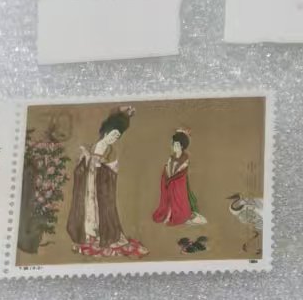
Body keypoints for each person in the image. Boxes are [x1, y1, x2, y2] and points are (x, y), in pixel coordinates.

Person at [65, 107, 146, 259]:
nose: (114, 139)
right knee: (88, 207)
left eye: (117, 137)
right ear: (107, 131)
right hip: (89, 184)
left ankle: (104, 236)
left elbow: (111, 171)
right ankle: (90, 235)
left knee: (100, 209)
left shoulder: (111, 151)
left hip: (101, 188)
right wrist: (85, 157)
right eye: (113, 134)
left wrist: (99, 164)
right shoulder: (94, 146)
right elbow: (84, 165)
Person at [152, 129, 207, 230]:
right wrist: (166, 177)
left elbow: (181, 174)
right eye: (174, 144)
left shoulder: (185, 159)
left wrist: (171, 180)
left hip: (178, 186)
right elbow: (167, 170)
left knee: (176, 193)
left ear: (182, 146)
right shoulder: (171, 158)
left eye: (177, 144)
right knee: (167, 195)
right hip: (169, 183)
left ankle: (178, 214)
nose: (175, 146)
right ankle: (168, 212)